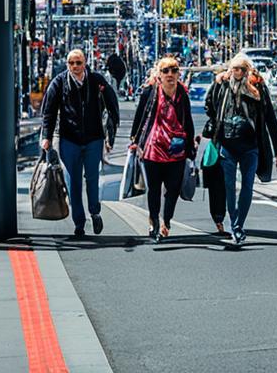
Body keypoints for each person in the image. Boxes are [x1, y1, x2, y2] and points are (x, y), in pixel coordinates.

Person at [203, 54, 277, 246]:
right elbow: (209, 105)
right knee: (229, 186)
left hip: (251, 146)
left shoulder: (257, 88)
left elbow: (270, 118)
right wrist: (216, 124)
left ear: (247, 70)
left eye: (241, 69)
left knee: (247, 186)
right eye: (234, 68)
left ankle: (239, 226)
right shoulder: (222, 85)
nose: (236, 72)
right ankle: (233, 222)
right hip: (227, 145)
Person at [40, 49, 120, 237]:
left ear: (85, 64)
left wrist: (111, 130)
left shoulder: (96, 80)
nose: (75, 66)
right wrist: (46, 137)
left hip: (94, 139)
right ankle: (79, 223)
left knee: (92, 178)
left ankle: (95, 212)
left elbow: (111, 103)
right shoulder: (59, 83)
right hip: (69, 140)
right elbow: (49, 112)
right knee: (73, 182)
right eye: (71, 63)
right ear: (67, 64)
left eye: (78, 63)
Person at [129, 56, 196, 243]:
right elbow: (140, 117)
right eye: (165, 71)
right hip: (154, 148)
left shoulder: (182, 93)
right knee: (154, 189)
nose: (170, 74)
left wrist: (191, 145)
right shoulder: (150, 92)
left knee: (173, 188)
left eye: (174, 70)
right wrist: (135, 141)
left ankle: (166, 218)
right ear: (159, 74)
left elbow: (188, 121)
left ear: (178, 73)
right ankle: (154, 222)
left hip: (176, 148)